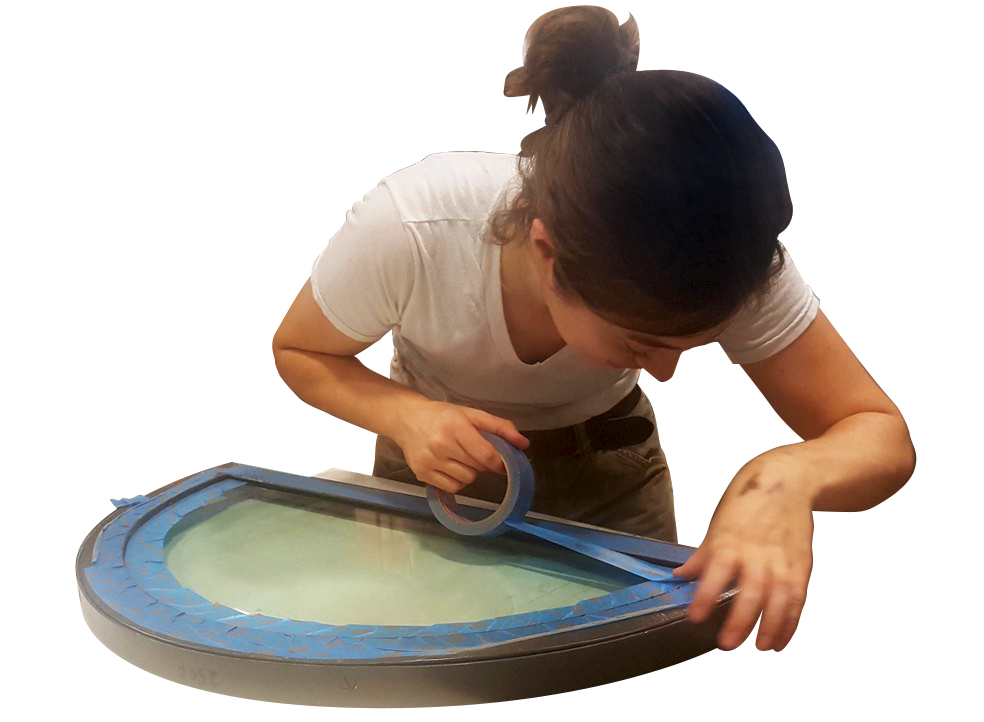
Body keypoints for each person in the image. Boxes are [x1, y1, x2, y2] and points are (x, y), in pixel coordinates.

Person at [273, 6, 913, 654]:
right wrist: (406, 416)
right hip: (437, 484)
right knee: (434, 665)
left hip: (611, 480)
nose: (663, 374)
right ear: (549, 256)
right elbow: (301, 351)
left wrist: (789, 480)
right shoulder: (411, 227)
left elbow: (877, 432)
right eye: (641, 343)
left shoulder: (726, 255)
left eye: (690, 344)